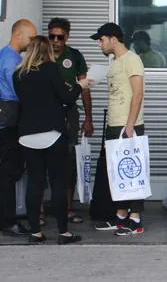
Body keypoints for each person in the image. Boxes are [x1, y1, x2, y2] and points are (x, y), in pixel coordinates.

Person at [13, 36, 91, 244]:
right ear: (47, 50)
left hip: (26, 135)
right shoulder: (51, 69)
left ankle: (35, 232)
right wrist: (79, 85)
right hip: (52, 134)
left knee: (34, 183)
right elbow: (66, 99)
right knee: (58, 182)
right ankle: (63, 232)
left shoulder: (18, 74)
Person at [91, 23, 146, 236]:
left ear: (113, 39)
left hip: (128, 125)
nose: (99, 44)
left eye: (101, 39)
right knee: (116, 173)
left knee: (132, 170)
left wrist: (130, 125)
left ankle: (136, 219)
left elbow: (137, 94)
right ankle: (121, 216)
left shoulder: (132, 60)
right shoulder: (114, 62)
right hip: (114, 125)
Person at [48, 17, 93, 225]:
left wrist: (88, 118)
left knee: (69, 162)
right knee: (42, 163)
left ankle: (67, 209)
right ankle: (39, 212)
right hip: (45, 115)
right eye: (52, 36)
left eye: (60, 36)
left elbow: (84, 88)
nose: (55, 40)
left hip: (69, 116)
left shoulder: (74, 56)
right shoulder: (42, 53)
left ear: (67, 36)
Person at [0, 19, 36, 237]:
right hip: (10, 120)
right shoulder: (12, 60)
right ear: (18, 34)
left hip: (4, 119)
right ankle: (8, 220)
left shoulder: (3, 54)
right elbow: (19, 91)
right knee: (9, 172)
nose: (32, 42)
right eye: (30, 37)